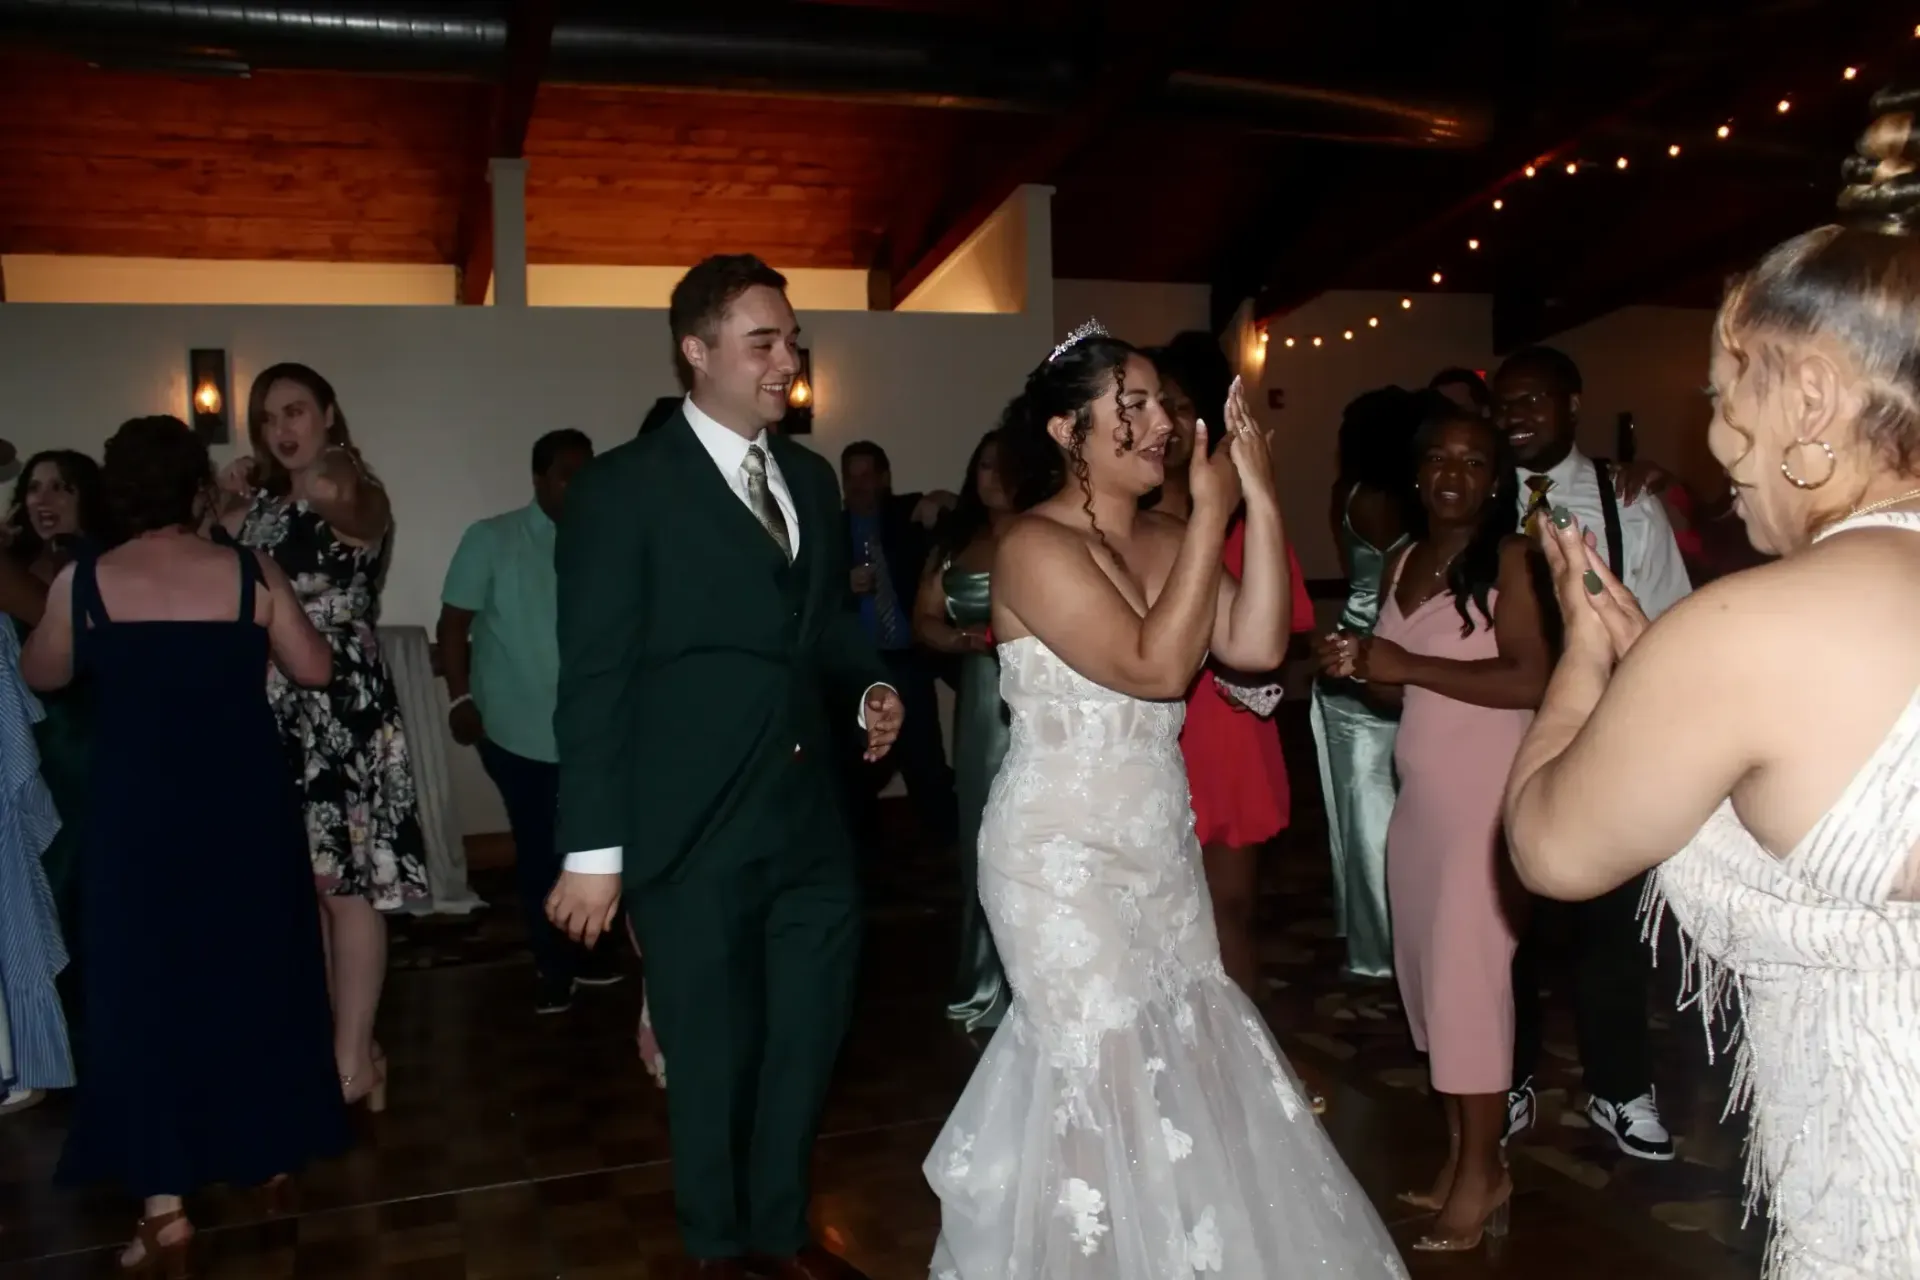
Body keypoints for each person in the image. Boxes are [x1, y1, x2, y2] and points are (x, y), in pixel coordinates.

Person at [1503, 90, 1920, 1279]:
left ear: (1815, 399)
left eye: (1726, 384)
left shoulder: (1749, 629)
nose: (1715, 431)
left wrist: (1586, 661)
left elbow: (1548, 844)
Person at [924, 322, 1405, 1279]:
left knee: (1184, 1052)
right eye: (1130, 407)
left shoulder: (1176, 538)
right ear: (1068, 430)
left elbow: (1260, 646)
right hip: (1057, 857)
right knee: (1096, 1070)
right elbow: (1154, 666)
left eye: (1163, 406)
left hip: (1157, 844)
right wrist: (1210, 517)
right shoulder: (1029, 546)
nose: (1158, 426)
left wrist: (1254, 502)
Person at [543, 254, 904, 1280]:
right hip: (688, 829)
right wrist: (594, 850)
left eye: (792, 339)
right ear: (695, 351)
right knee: (711, 1056)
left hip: (808, 821)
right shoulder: (623, 489)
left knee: (806, 1036)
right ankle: (715, 1248)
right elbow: (596, 680)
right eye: (764, 341)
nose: (788, 359)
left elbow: (826, 624)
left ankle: (781, 1229)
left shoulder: (812, 478)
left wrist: (868, 688)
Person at [36, 415, 346, 1276]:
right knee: (254, 973)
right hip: (241, 810)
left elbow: (42, 674)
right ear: (195, 488)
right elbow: (314, 668)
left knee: (142, 993)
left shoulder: (85, 581)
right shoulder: (248, 571)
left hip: (139, 818)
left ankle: (164, 1206)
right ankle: (268, 1150)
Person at [1318, 399, 1548, 1251]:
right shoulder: (1409, 556)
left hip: (1484, 801)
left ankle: (1487, 1176)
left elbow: (1530, 677)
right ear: (1417, 474)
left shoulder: (1514, 560)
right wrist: (1360, 667)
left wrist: (1405, 662)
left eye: (1475, 461)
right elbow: (1395, 688)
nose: (1454, 474)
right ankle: (1463, 1160)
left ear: (1495, 483)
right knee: (1430, 987)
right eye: (1441, 459)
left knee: (1468, 990)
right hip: (1422, 798)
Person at [1492, 344, 1691, 1157]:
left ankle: (1619, 1087)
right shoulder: (1472, 492)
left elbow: (1670, 623)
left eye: (1533, 402)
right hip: (1492, 732)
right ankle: (1505, 1074)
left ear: (1572, 406)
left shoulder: (1623, 500)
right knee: (1504, 928)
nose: (1516, 417)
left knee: (1609, 926)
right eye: (1505, 403)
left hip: (1595, 737)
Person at [220, 363, 428, 1116]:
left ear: (329, 414)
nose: (283, 428)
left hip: (343, 703)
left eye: (297, 410)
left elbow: (356, 511)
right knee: (305, 890)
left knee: (348, 888)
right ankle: (354, 1049)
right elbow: (217, 557)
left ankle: (351, 1065)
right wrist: (229, 497)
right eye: (269, 416)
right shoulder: (262, 508)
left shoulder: (351, 486)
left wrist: (311, 474)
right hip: (274, 702)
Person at [1143, 334, 1315, 1002]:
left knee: (1229, 914)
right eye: (1156, 405)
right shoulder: (1132, 523)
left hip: (1228, 727)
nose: (1170, 423)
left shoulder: (1243, 525)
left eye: (1183, 406)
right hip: (1154, 727)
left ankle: (1243, 1066)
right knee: (1157, 920)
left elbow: (1288, 622)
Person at [438, 428, 624, 1016]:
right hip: (517, 731)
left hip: (594, 733)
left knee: (594, 848)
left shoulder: (606, 539)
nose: (579, 485)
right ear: (539, 480)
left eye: (587, 473)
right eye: (567, 474)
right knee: (541, 852)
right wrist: (459, 699)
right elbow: (451, 626)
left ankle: (592, 957)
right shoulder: (492, 539)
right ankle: (552, 967)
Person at [1310, 387, 1420, 980]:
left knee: (1362, 814)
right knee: (1384, 815)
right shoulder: (1406, 505)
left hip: (1347, 658)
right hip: (1379, 661)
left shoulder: (1345, 494)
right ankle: (1384, 952)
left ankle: (1378, 940)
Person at [911, 429, 1012, 1034]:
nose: (991, 475)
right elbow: (925, 618)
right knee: (980, 834)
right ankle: (983, 980)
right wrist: (962, 639)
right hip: (980, 701)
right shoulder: (954, 541)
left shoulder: (1047, 535)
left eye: (1004, 465)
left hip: (1038, 700)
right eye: (983, 465)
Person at [839, 440, 958, 855]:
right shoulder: (828, 531)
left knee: (926, 765)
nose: (858, 486)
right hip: (858, 667)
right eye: (850, 477)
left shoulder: (907, 514)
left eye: (867, 475)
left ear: (885, 478)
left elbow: (972, 519)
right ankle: (864, 867)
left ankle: (949, 861)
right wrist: (843, 586)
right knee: (858, 770)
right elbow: (807, 599)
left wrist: (943, 499)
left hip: (908, 660)